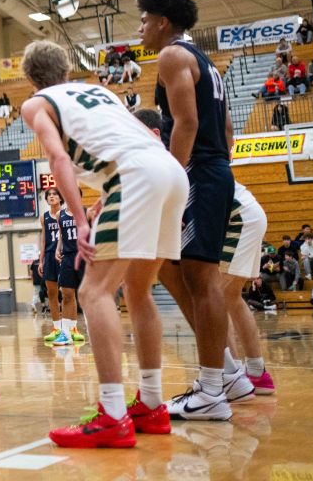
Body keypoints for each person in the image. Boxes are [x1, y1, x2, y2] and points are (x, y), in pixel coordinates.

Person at [19, 41, 188, 449]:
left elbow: (59, 160)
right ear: (64, 68)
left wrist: (77, 218)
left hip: (132, 178)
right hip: (170, 172)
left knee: (94, 291)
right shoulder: (101, 91)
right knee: (139, 290)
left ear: (30, 79)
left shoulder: (36, 104)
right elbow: (120, 143)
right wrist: (100, 203)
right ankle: (150, 404)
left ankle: (112, 414)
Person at [137, 0, 233, 421]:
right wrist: (217, 168)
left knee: (202, 279)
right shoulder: (206, 62)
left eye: (144, 19)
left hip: (197, 172)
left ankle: (213, 391)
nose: (140, 27)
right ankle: (227, 374)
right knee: (179, 270)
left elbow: (188, 122)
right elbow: (227, 127)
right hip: (212, 170)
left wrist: (172, 179)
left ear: (162, 21)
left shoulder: (172, 56)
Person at [133, 107, 274, 399]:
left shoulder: (169, 159)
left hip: (239, 217)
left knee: (213, 298)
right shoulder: (174, 158)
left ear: (154, 134)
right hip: (243, 215)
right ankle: (254, 373)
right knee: (229, 298)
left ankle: (228, 375)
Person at [49, 186, 85, 347]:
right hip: (68, 257)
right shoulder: (60, 215)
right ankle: (66, 333)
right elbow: (61, 235)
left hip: (84, 256)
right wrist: (58, 249)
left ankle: (96, 330)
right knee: (67, 294)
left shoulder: (85, 212)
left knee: (89, 296)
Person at [39, 189, 62, 343]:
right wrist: (40, 260)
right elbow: (43, 239)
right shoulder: (44, 218)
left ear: (60, 198)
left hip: (63, 256)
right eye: (49, 195)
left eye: (54, 194)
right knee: (51, 293)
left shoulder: (66, 214)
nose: (51, 196)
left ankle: (69, 328)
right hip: (49, 256)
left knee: (68, 293)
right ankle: (57, 329)